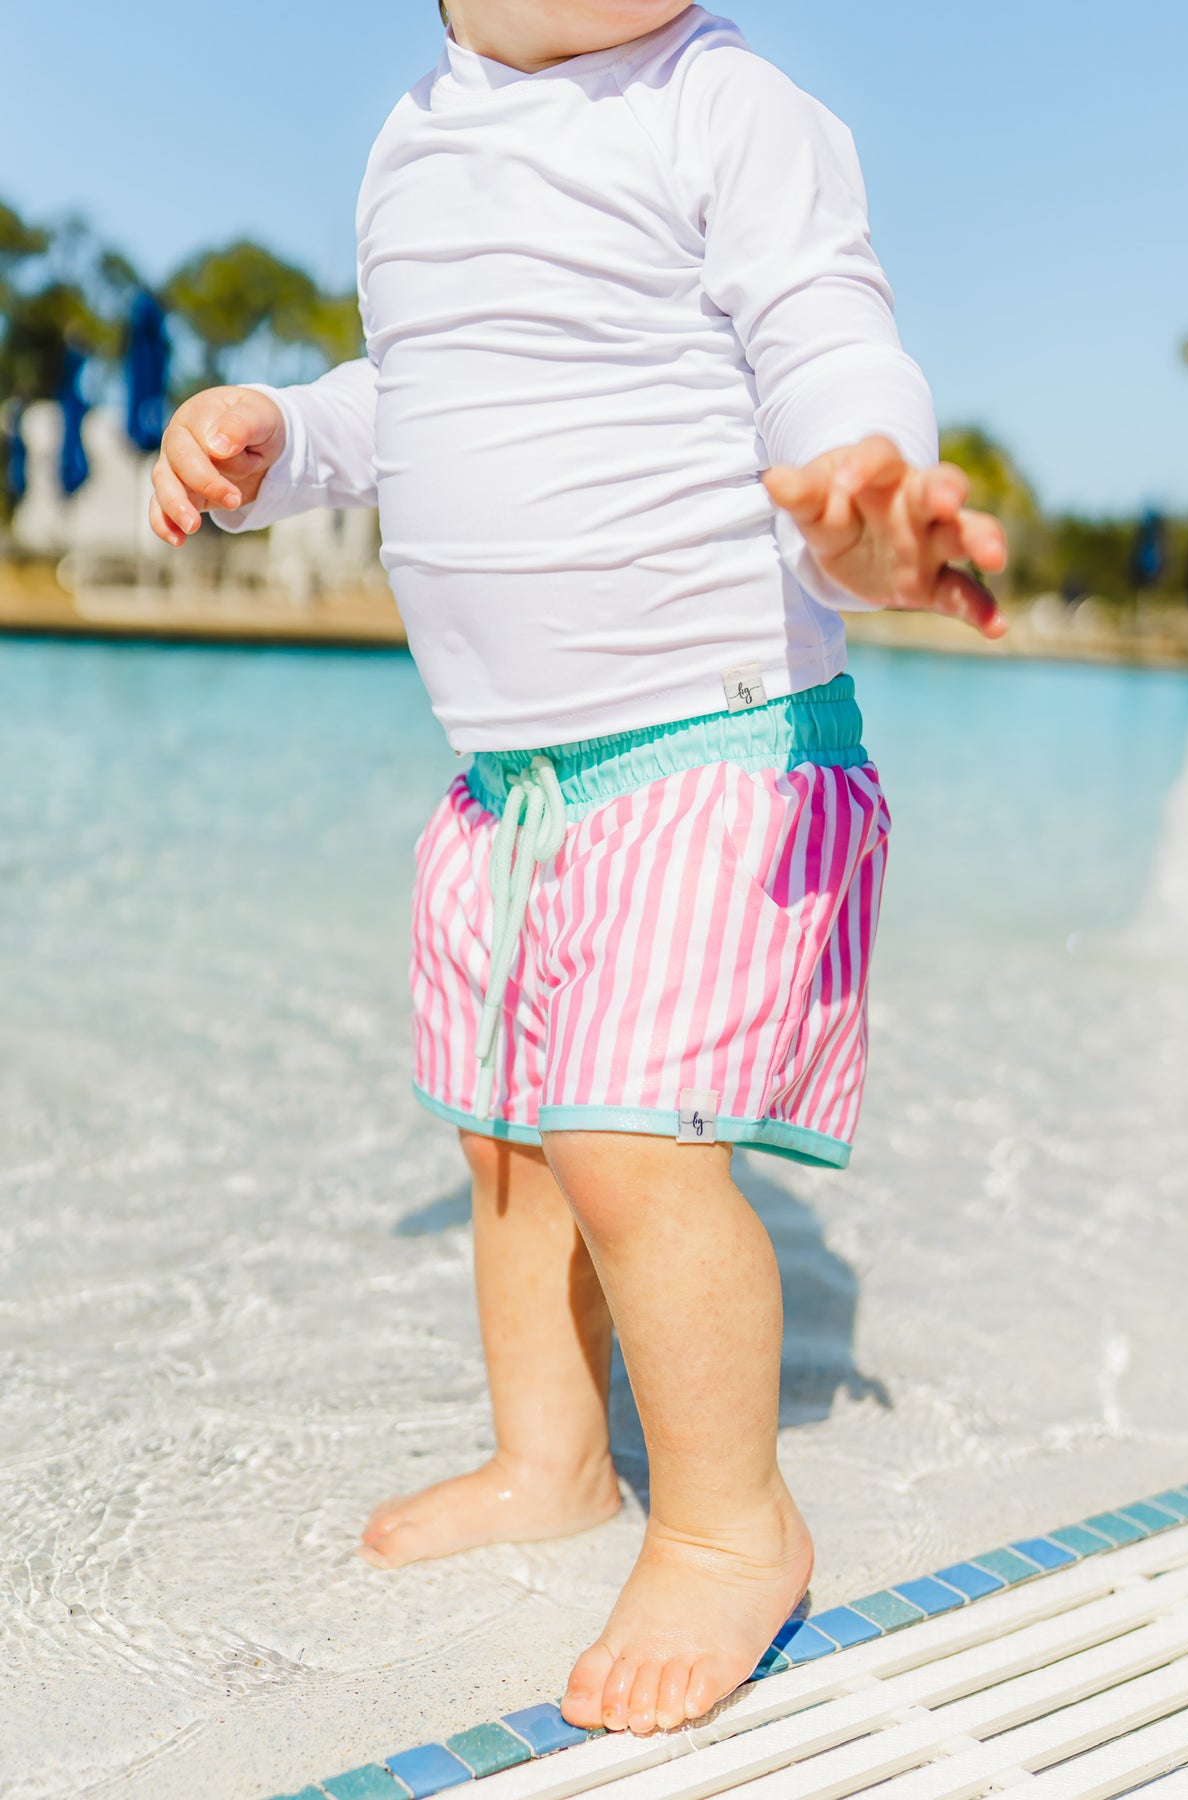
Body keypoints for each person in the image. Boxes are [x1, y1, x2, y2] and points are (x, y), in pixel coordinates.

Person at [150, 0, 1007, 1741]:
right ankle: (553, 1463)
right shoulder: (412, 143)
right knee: (510, 1140)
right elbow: (426, 397)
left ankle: (725, 1521)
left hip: (713, 739)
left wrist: (869, 475)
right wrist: (280, 443)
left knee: (630, 1143)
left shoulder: (727, 105)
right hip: (509, 779)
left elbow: (823, 320)